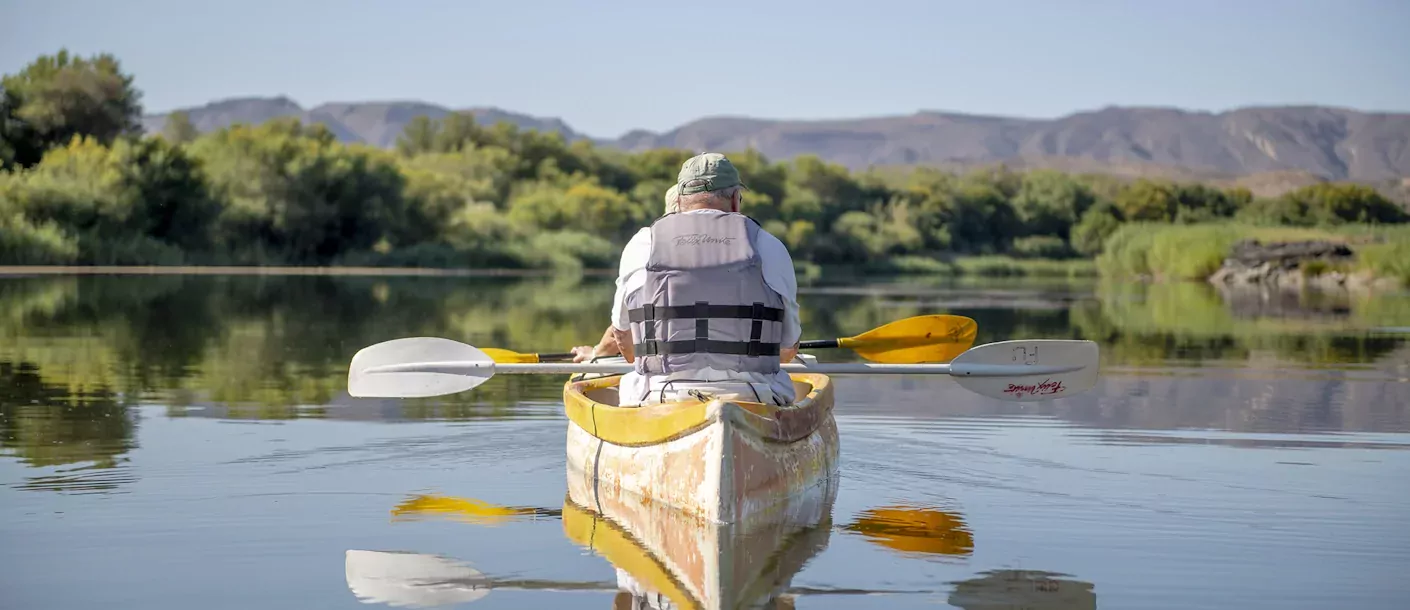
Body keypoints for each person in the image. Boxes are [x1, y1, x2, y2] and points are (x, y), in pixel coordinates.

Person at [570, 153, 802, 406]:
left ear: (678, 201)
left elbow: (624, 344)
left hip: (658, 396)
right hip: (756, 395)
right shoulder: (769, 245)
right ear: (736, 199)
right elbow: (788, 349)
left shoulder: (641, 243)